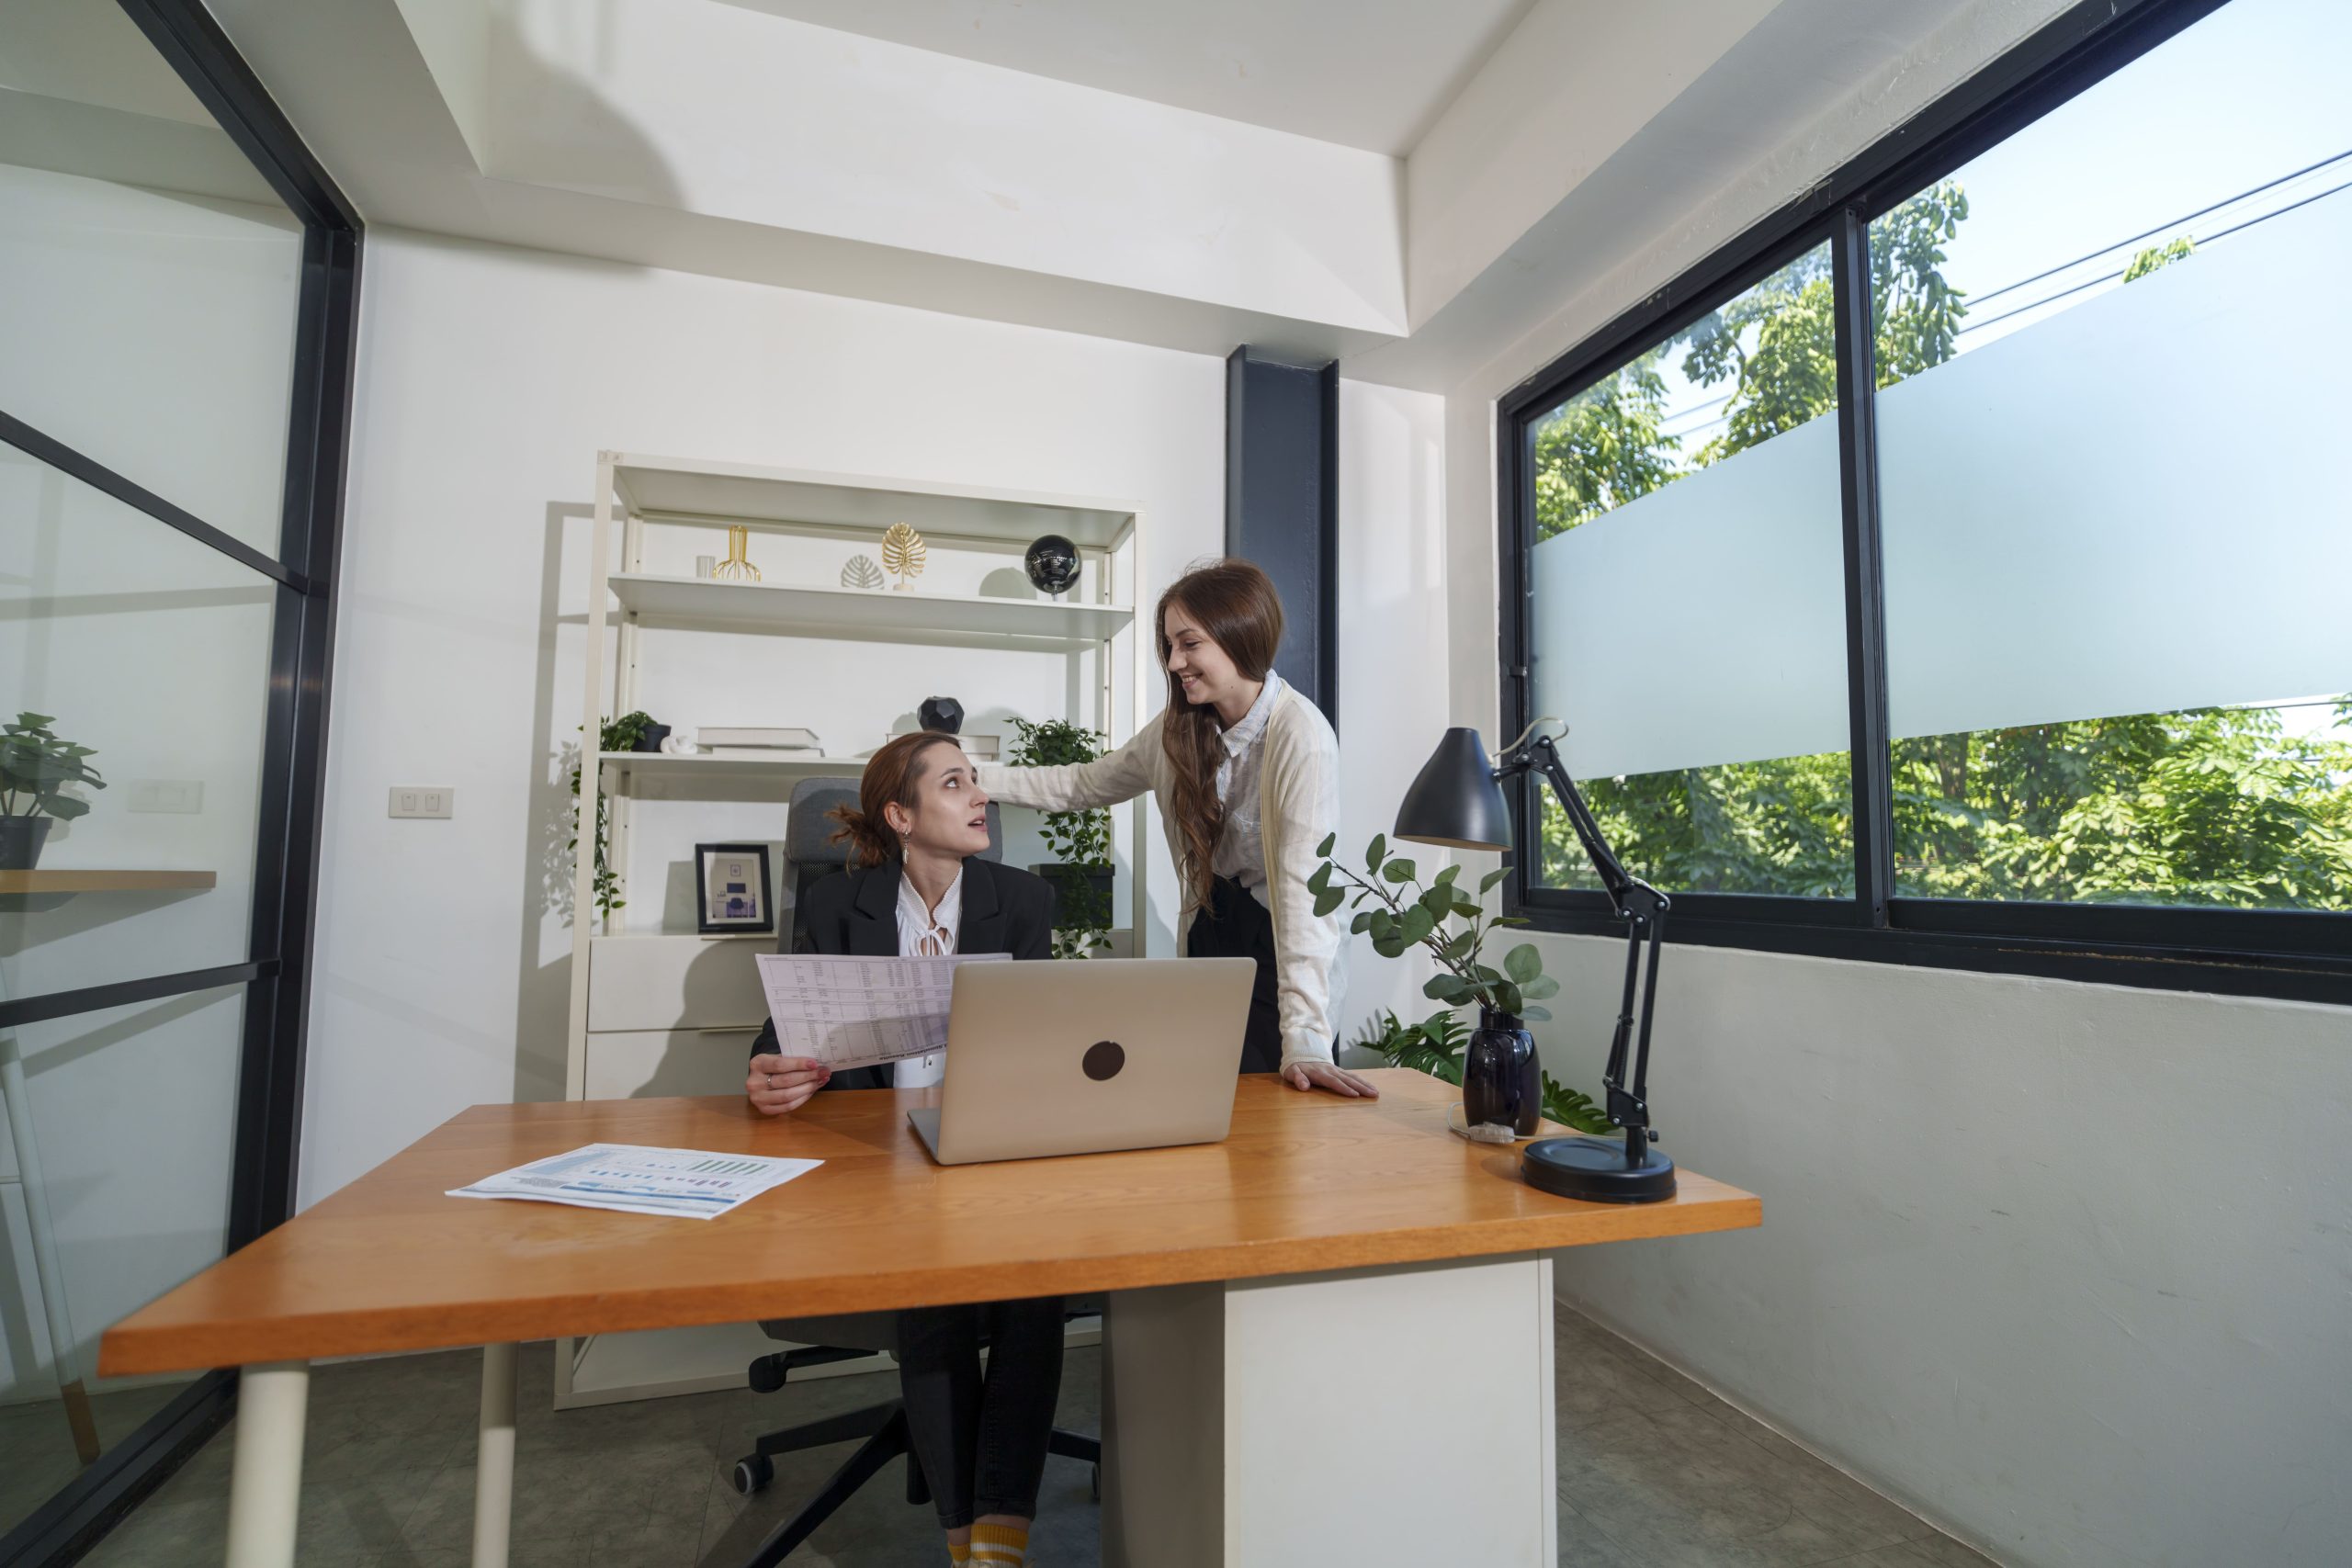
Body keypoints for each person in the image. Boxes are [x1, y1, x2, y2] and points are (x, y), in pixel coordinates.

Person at [744, 731, 1061, 1568]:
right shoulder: (834, 909)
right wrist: (767, 1070)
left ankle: (996, 1532)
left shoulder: (1022, 902)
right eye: (955, 783)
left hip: (990, 1152)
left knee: (1040, 1278)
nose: (978, 796)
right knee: (929, 1272)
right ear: (902, 814)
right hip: (878, 1165)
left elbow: (1043, 1044)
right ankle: (969, 1537)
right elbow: (783, 1030)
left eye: (976, 782)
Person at [980, 557, 1377, 1097]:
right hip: (1214, 926)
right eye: (1169, 646)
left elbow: (1305, 894)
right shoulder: (1176, 730)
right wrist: (974, 776)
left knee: (1278, 1101)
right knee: (1206, 1086)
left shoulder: (1299, 735)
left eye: (1189, 644)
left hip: (1278, 938)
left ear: (1239, 636)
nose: (1173, 662)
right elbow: (1081, 785)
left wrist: (1306, 1036)